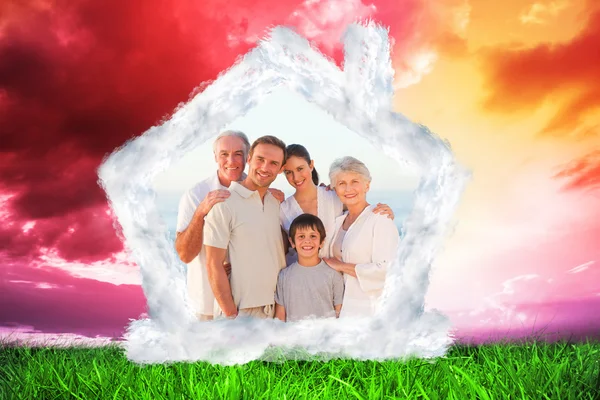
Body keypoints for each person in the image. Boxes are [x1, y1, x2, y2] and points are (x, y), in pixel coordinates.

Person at [175, 130, 284, 321]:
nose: (231, 161)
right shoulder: (197, 195)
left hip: (258, 303)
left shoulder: (264, 196)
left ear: (246, 158)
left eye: (238, 154)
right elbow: (185, 255)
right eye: (224, 154)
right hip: (208, 301)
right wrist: (201, 212)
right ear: (215, 157)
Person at [203, 135, 288, 319]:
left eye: (273, 163)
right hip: (241, 313)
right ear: (249, 159)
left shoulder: (276, 203)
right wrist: (231, 316)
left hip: (276, 309)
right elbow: (213, 264)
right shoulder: (224, 204)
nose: (265, 167)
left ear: (281, 169)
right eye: (260, 159)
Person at [279, 144, 395, 265]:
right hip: (300, 277)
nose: (296, 177)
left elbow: (361, 212)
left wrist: (382, 214)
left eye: (300, 169)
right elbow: (281, 248)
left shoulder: (334, 197)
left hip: (335, 277)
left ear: (311, 165)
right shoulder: (283, 210)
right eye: (288, 172)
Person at [323, 156, 400, 318]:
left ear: (367, 185)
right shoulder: (338, 221)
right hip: (339, 310)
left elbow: (388, 271)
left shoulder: (380, 219)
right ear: (335, 189)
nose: (348, 189)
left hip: (368, 312)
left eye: (354, 182)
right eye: (341, 183)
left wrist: (341, 266)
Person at [274, 213, 344, 322]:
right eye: (301, 236)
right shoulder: (284, 276)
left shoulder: (333, 275)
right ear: (292, 242)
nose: (307, 241)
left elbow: (340, 315)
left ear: (322, 242)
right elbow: (280, 317)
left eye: (313, 236)